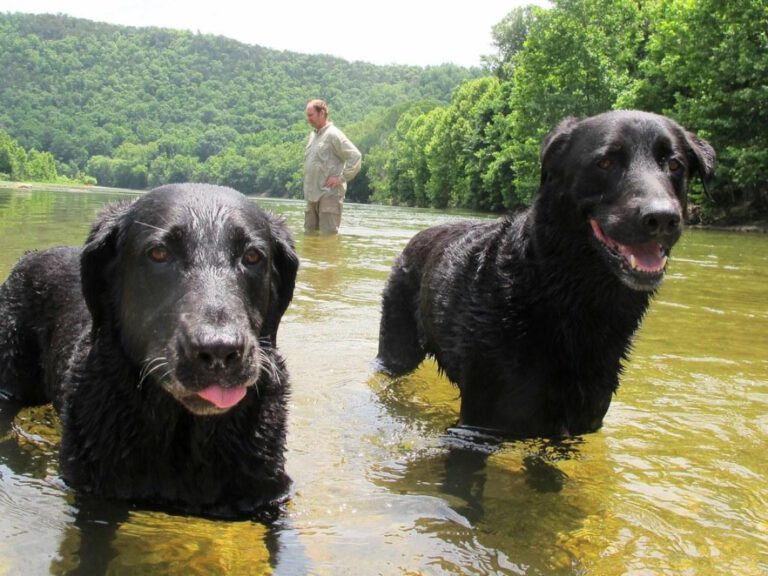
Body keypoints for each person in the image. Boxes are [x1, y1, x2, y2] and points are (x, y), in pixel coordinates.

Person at [303, 99, 362, 234]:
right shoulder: (313, 135)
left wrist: (341, 178)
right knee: (309, 237)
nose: (308, 119)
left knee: (328, 238)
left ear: (322, 113)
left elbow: (356, 156)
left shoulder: (334, 134)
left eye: (310, 115)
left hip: (329, 196)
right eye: (307, 115)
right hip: (312, 197)